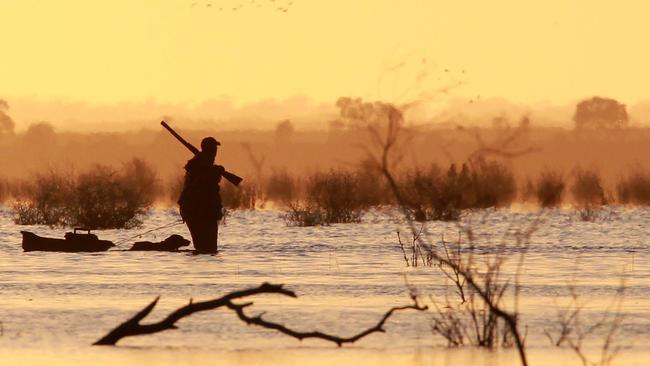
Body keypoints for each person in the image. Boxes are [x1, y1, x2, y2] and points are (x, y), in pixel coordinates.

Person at [178, 137, 224, 253]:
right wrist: (214, 172)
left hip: (207, 211)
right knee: (204, 248)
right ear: (209, 149)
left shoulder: (207, 165)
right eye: (213, 148)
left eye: (215, 149)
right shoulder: (196, 165)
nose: (215, 152)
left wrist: (215, 171)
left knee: (210, 248)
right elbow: (200, 185)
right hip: (197, 211)